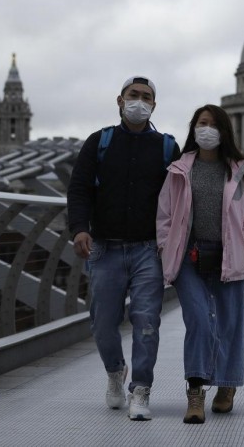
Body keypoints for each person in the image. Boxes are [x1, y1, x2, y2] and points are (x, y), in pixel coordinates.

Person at [67, 76, 180, 420]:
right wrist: (79, 229)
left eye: (146, 97)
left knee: (147, 322)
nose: (139, 102)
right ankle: (116, 371)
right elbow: (79, 188)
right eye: (134, 95)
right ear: (120, 100)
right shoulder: (99, 142)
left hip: (149, 249)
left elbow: (179, 199)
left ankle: (140, 389)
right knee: (102, 322)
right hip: (106, 247)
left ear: (154, 106)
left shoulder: (167, 147)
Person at [157, 105, 244, 424]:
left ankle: (227, 384)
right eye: (202, 123)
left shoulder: (237, 171)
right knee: (199, 320)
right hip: (188, 256)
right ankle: (196, 390)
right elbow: (165, 214)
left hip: (229, 254)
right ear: (193, 128)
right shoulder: (178, 170)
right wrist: (166, 246)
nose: (207, 129)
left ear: (224, 131)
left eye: (214, 124)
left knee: (230, 323)